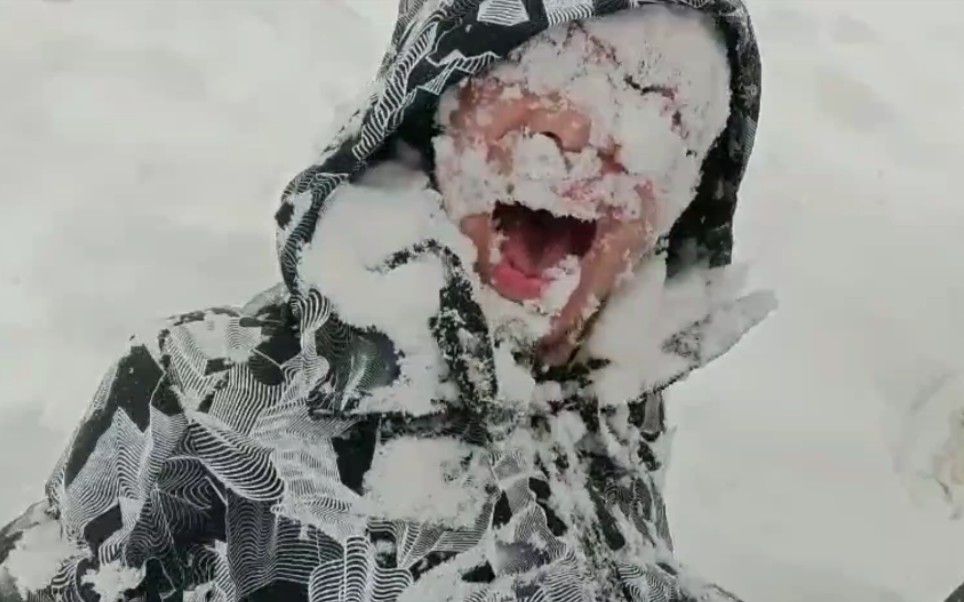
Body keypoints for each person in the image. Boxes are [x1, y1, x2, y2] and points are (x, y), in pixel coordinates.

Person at [0, 1, 772, 601]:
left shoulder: (617, 412)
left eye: (663, 112)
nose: (588, 133)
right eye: (552, 74)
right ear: (436, 100)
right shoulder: (198, 400)